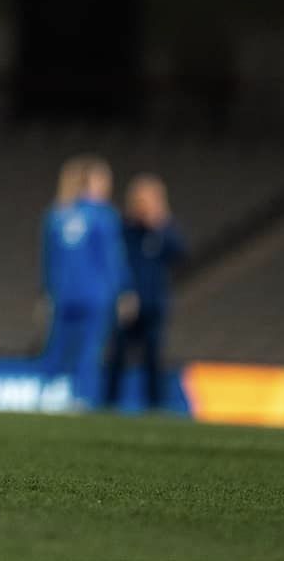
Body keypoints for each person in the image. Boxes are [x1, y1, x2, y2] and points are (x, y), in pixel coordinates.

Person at [38, 154, 128, 407]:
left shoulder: (57, 214)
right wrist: (123, 291)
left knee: (56, 347)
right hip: (96, 294)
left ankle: (47, 394)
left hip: (63, 293)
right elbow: (112, 259)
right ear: (93, 182)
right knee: (89, 350)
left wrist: (45, 293)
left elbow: (48, 260)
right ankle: (81, 397)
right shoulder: (105, 216)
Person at [103, 174, 186, 410]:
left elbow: (180, 254)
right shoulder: (123, 229)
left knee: (153, 358)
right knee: (117, 356)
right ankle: (108, 407)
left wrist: (161, 226)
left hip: (153, 305)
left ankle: (156, 408)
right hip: (126, 304)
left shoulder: (164, 230)